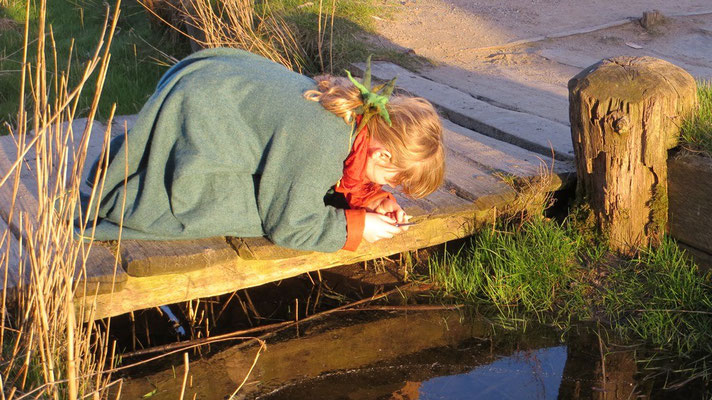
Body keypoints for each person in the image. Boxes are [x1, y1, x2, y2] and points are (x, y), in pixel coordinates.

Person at [82, 47, 444, 252]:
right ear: (383, 155)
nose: (390, 188)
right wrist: (357, 226)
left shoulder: (349, 111)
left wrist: (367, 198)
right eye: (393, 181)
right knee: (260, 211)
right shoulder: (326, 139)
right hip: (191, 132)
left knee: (286, 192)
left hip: (200, 97)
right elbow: (290, 226)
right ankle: (146, 180)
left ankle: (142, 161)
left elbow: (339, 170)